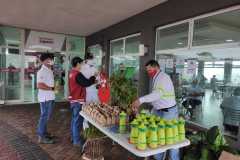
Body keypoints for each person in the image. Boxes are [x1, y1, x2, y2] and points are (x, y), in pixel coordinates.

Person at [132, 60, 179, 160]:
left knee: (171, 139)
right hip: (159, 111)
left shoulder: (163, 78)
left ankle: (174, 158)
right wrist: (152, 109)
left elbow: (158, 94)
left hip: (168, 112)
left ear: (156, 67)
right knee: (157, 136)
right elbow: (158, 98)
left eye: (150, 70)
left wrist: (141, 100)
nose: (148, 72)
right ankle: (158, 158)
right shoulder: (156, 78)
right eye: (147, 70)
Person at [68, 57, 96, 147]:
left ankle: (73, 137)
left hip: (73, 99)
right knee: (77, 121)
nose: (83, 65)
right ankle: (76, 140)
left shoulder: (71, 73)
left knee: (74, 120)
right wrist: (94, 77)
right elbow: (86, 83)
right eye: (82, 63)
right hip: (78, 100)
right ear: (78, 64)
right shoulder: (77, 74)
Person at [37, 53, 55, 144]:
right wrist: (51, 88)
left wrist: (53, 88)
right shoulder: (42, 71)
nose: (51, 61)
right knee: (44, 117)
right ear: (43, 61)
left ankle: (44, 132)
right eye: (49, 59)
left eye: (51, 59)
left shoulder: (49, 70)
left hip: (50, 97)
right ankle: (41, 136)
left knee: (46, 116)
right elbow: (39, 85)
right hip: (45, 98)